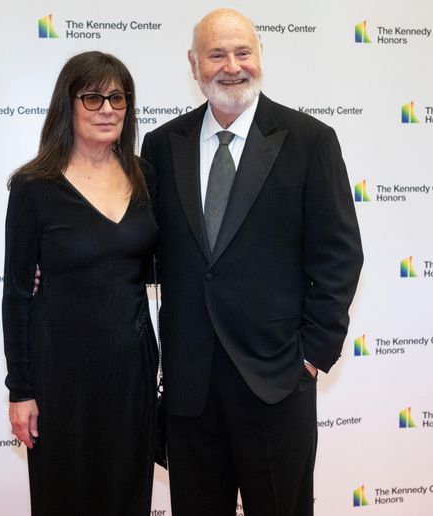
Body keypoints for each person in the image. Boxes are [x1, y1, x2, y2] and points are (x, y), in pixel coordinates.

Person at [140, 9, 363, 516]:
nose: (231, 66)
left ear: (260, 56)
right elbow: (145, 250)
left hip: (276, 382)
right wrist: (64, 265)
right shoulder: (160, 146)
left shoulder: (310, 141)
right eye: (217, 54)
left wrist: (310, 357)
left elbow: (340, 256)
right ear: (194, 64)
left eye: (243, 52)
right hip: (189, 388)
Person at [2, 51, 158, 516]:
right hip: (59, 376)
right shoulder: (34, 186)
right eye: (92, 97)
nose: (107, 109)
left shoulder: (143, 174)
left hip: (131, 370)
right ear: (67, 104)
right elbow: (15, 296)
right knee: (64, 498)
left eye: (117, 97)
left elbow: (156, 262)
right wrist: (20, 390)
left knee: (127, 495)